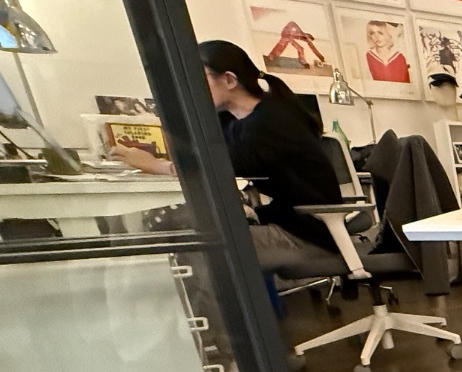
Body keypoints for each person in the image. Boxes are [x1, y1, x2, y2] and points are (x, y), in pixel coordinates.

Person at [106, 40, 341, 274]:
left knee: (194, 249)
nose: (193, 88)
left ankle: (217, 303)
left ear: (229, 80)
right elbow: (197, 154)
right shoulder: (233, 120)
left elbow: (213, 166)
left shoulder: (270, 122)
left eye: (200, 78)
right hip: (285, 220)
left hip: (307, 235)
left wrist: (155, 165)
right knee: (176, 231)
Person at [365, 18, 410, 83]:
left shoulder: (399, 57)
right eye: (372, 33)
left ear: (387, 34)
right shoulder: (369, 55)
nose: (377, 37)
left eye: (380, 33)